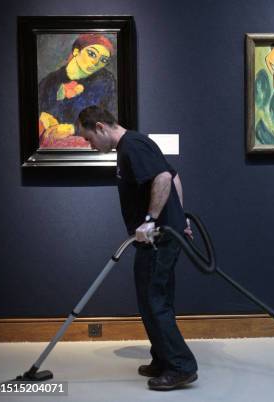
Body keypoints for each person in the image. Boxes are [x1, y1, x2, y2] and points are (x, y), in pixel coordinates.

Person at [76, 105, 198, 391]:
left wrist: (151, 220)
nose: (90, 146)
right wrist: (180, 218)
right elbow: (173, 174)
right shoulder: (132, 145)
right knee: (153, 300)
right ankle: (163, 359)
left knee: (154, 301)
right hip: (162, 235)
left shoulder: (131, 145)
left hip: (158, 238)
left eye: (88, 139)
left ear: (100, 128)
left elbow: (164, 178)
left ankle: (181, 366)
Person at [38, 34, 117, 148]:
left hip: (88, 146)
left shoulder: (106, 81)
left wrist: (73, 129)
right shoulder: (50, 81)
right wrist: (43, 118)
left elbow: (111, 120)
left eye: (103, 60)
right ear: (76, 51)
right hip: (51, 148)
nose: (96, 62)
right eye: (91, 54)